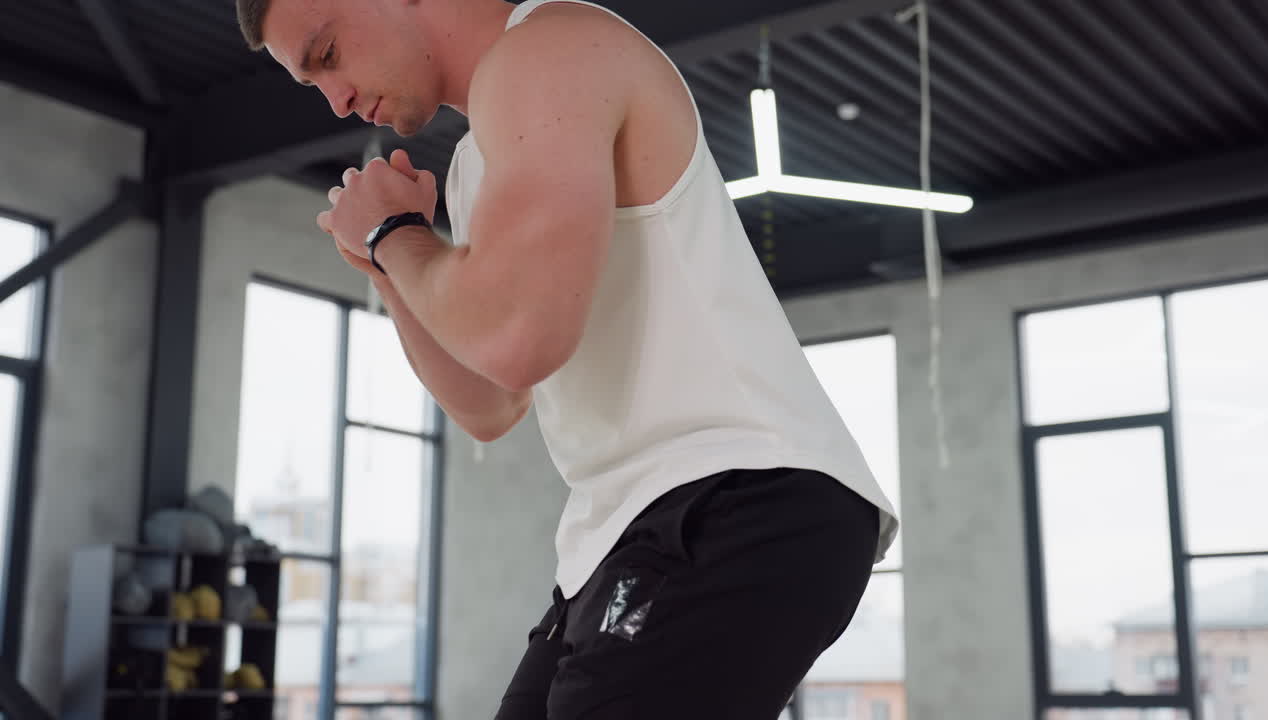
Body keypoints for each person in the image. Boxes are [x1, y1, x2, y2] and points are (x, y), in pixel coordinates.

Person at [237, 0, 900, 716]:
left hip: (737, 489)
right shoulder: (474, 163)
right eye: (313, 85)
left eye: (327, 54)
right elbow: (490, 402)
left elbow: (519, 339)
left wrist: (396, 234)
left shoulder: (548, 51)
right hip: (626, 528)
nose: (335, 101)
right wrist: (384, 262)